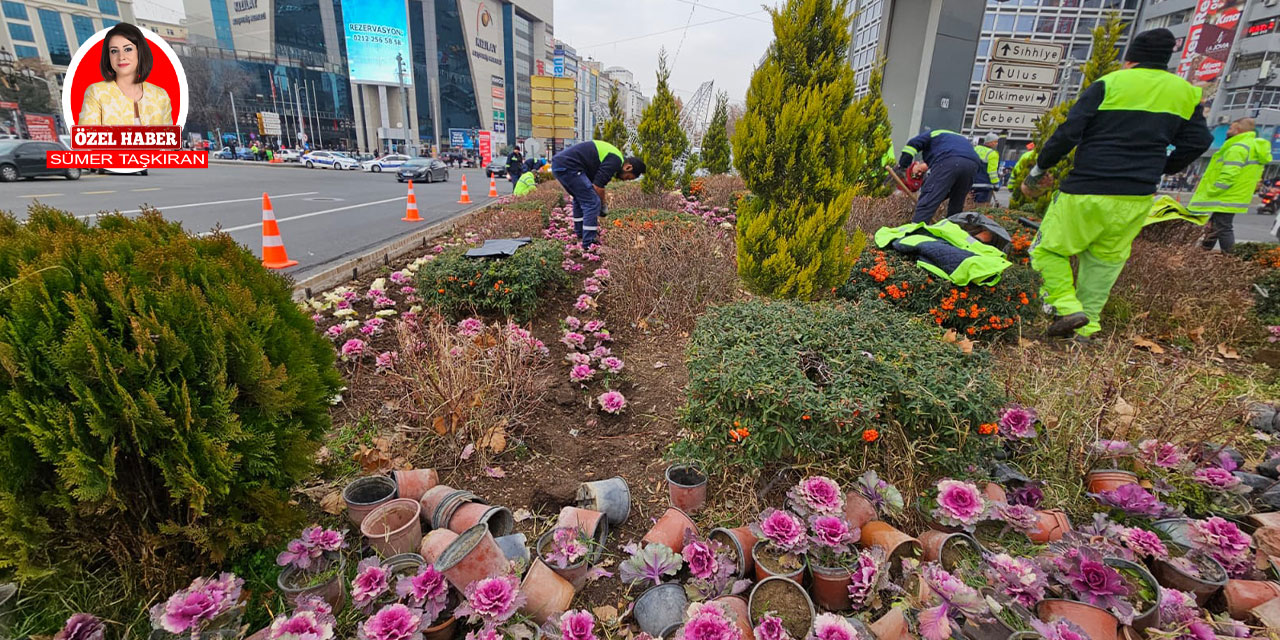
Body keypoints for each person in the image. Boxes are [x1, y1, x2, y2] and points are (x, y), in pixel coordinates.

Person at [1022, 28, 1212, 339]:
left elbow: (1069, 132)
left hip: (1087, 188)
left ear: (1130, 60)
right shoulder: (1186, 92)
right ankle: (1086, 330)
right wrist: (1161, 167)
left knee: (1046, 250)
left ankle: (1066, 308)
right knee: (1105, 262)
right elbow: (1198, 141)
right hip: (1136, 196)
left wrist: (1040, 168)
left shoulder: (1110, 83)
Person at [1190, 118, 1273, 253]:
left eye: (1230, 129)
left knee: (1223, 227)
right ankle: (1202, 253)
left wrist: (1213, 190)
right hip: (1236, 194)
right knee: (1215, 226)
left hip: (1225, 195)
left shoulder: (1237, 148)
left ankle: (1230, 258)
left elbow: (1229, 174)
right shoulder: (1252, 147)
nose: (1227, 131)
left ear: (1238, 130)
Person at [552, 140, 645, 250]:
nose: (625, 180)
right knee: (592, 202)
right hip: (570, 166)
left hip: (562, 164)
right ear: (628, 167)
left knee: (580, 199)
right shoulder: (616, 160)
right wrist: (603, 205)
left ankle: (580, 234)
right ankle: (589, 244)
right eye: (628, 177)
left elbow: (595, 184)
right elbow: (598, 186)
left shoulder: (614, 157)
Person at [78, 22, 173, 126]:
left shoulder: (160, 96)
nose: (121, 57)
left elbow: (169, 140)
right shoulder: (97, 93)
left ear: (140, 52)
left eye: (128, 49)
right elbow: (87, 139)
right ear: (108, 56)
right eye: (114, 51)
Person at [898, 128, 983, 223]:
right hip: (972, 164)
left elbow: (911, 145)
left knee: (928, 199)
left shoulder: (929, 135)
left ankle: (916, 231)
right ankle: (951, 230)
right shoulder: (957, 139)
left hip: (949, 161)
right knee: (957, 202)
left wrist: (903, 166)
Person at [972, 133, 1001, 204]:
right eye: (995, 142)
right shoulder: (993, 154)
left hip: (971, 183)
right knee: (980, 207)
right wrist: (996, 184)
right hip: (984, 185)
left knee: (969, 204)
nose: (996, 144)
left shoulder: (976, 148)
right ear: (990, 142)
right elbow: (992, 171)